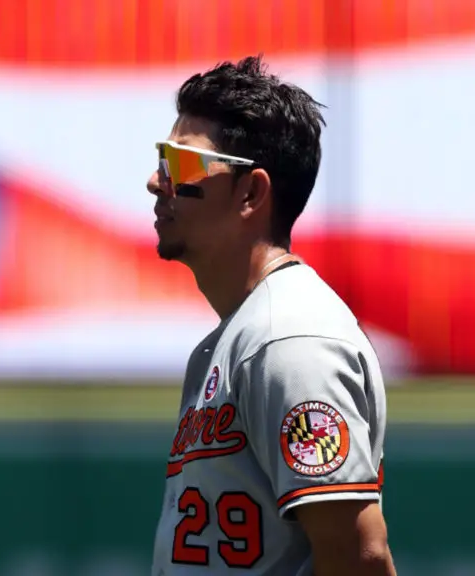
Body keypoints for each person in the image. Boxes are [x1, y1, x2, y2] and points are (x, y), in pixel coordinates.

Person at [147, 55, 397, 576]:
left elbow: (359, 555)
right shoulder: (236, 339)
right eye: (160, 160)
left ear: (252, 193)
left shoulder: (288, 338)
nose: (156, 181)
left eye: (182, 164)